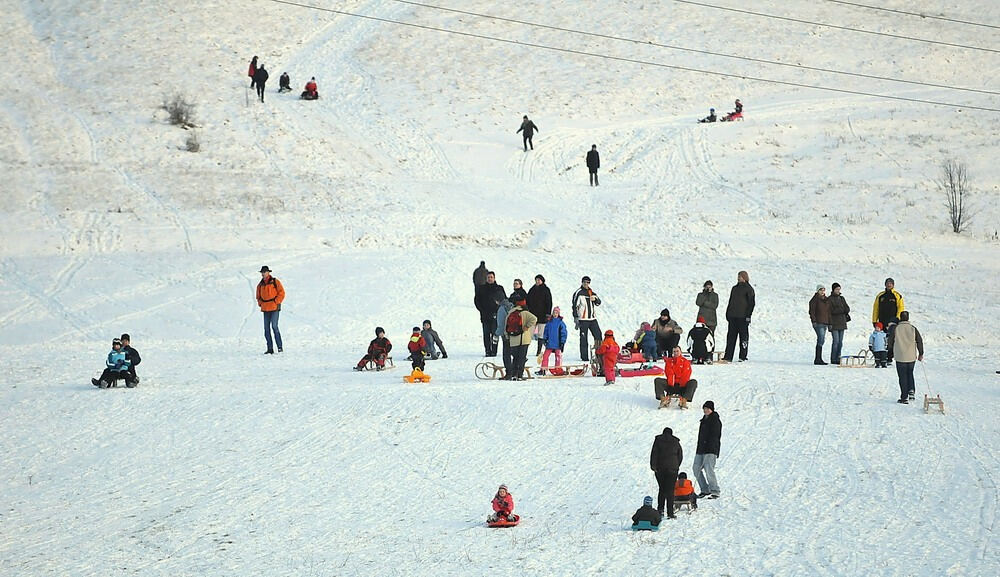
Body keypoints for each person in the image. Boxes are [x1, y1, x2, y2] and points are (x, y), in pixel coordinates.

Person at [650, 426, 683, 518]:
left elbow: (654, 453)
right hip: (672, 469)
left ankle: (660, 510)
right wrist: (676, 465)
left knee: (662, 489)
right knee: (670, 490)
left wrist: (653, 466)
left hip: (660, 468)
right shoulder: (676, 441)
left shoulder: (658, 440)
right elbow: (680, 455)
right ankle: (670, 513)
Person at [891, 311, 924, 403]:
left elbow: (890, 341)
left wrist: (889, 353)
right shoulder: (913, 328)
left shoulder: (896, 328)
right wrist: (921, 353)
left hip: (900, 356)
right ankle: (911, 391)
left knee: (902, 376)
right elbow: (919, 341)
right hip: (911, 357)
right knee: (910, 373)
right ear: (908, 318)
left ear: (900, 318)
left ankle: (904, 397)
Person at [721, 271, 754, 363]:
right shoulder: (734, 288)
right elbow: (730, 301)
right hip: (733, 316)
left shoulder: (749, 289)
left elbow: (751, 303)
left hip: (743, 317)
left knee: (743, 338)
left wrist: (748, 316)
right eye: (738, 276)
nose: (738, 278)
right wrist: (728, 313)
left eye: (740, 276)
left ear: (744, 277)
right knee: (730, 337)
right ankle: (728, 356)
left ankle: (743, 356)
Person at [693, 400, 722, 499]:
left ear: (711, 410)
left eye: (707, 409)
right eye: (704, 409)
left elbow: (715, 436)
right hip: (701, 449)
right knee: (696, 468)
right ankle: (705, 489)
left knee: (709, 469)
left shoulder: (715, 420)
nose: (705, 410)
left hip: (710, 449)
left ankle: (715, 490)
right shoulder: (703, 421)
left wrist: (708, 445)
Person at [872, 278, 904, 363]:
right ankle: (882, 357)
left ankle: (889, 357)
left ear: (893, 285)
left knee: (891, 339)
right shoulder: (880, 295)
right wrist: (874, 320)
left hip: (892, 322)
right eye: (887, 283)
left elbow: (901, 308)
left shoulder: (897, 295)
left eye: (891, 283)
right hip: (882, 321)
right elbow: (876, 308)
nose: (889, 285)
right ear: (885, 284)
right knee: (881, 340)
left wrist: (897, 318)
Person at [474, 271, 506, 356]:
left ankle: (494, 351)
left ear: (494, 278)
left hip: (496, 315)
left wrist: (499, 310)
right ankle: (487, 350)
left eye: (491, 277)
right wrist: (482, 310)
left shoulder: (499, 288)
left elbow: (504, 300)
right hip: (485, 315)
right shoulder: (481, 288)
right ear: (486, 278)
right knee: (486, 334)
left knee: (495, 334)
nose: (490, 279)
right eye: (488, 277)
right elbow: (477, 301)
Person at [506, 295, 538, 381]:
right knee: (522, 357)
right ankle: (520, 375)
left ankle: (513, 374)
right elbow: (534, 319)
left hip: (513, 339)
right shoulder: (525, 313)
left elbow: (506, 325)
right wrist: (527, 326)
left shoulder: (511, 312)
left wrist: (507, 335)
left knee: (515, 357)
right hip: (524, 339)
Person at [571, 276, 602, 361]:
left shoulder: (591, 292)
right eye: (584, 282)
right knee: (583, 338)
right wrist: (576, 318)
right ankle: (584, 357)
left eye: (588, 282)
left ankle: (599, 355)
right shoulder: (578, 292)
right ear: (582, 282)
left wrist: (595, 298)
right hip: (583, 319)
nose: (586, 284)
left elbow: (599, 303)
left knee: (598, 335)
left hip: (592, 319)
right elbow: (574, 306)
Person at [256, 265, 284, 354]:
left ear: (268, 272)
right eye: (262, 272)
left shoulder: (275, 281)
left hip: (274, 307)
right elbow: (258, 296)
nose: (263, 274)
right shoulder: (260, 285)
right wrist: (261, 303)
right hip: (265, 308)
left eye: (264, 272)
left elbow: (282, 293)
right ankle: (270, 348)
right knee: (266, 329)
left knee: (274, 326)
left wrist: (276, 301)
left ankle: (279, 347)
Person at [537, 306, 567, 375]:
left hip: (558, 343)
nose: (555, 314)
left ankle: (558, 368)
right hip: (550, 343)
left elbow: (564, 333)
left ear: (558, 314)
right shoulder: (549, 322)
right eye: (554, 312)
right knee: (545, 356)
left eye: (556, 313)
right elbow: (546, 331)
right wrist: (545, 339)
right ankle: (543, 369)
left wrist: (562, 342)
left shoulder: (561, 323)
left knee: (558, 356)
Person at [527, 275, 552, 356]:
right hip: (532, 315)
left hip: (542, 315)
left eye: (539, 280)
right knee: (529, 333)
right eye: (536, 280)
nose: (537, 281)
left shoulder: (546, 290)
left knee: (541, 334)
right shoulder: (532, 289)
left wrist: (548, 314)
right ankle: (525, 350)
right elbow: (528, 301)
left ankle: (539, 350)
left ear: (542, 281)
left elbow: (549, 302)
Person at [828, 283, 851, 365]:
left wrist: (842, 310)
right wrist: (841, 310)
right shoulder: (830, 299)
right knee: (836, 341)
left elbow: (847, 308)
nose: (838, 291)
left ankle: (838, 357)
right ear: (833, 289)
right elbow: (831, 311)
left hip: (842, 322)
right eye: (837, 289)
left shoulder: (842, 298)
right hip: (834, 323)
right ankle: (833, 358)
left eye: (839, 289)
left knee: (840, 342)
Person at [809, 285, 831, 365]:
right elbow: (812, 311)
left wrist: (829, 322)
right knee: (820, 339)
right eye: (821, 290)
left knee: (822, 340)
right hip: (818, 322)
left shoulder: (826, 300)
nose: (822, 292)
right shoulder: (814, 300)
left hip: (825, 322)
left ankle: (819, 358)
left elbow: (828, 312)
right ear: (817, 291)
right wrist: (814, 321)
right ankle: (817, 358)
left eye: (823, 290)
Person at [495, 296, 515, 376]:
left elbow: (501, 324)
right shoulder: (512, 306)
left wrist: (497, 333)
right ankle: (516, 369)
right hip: (514, 333)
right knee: (514, 351)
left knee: (506, 354)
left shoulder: (501, 309)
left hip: (505, 334)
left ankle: (509, 372)